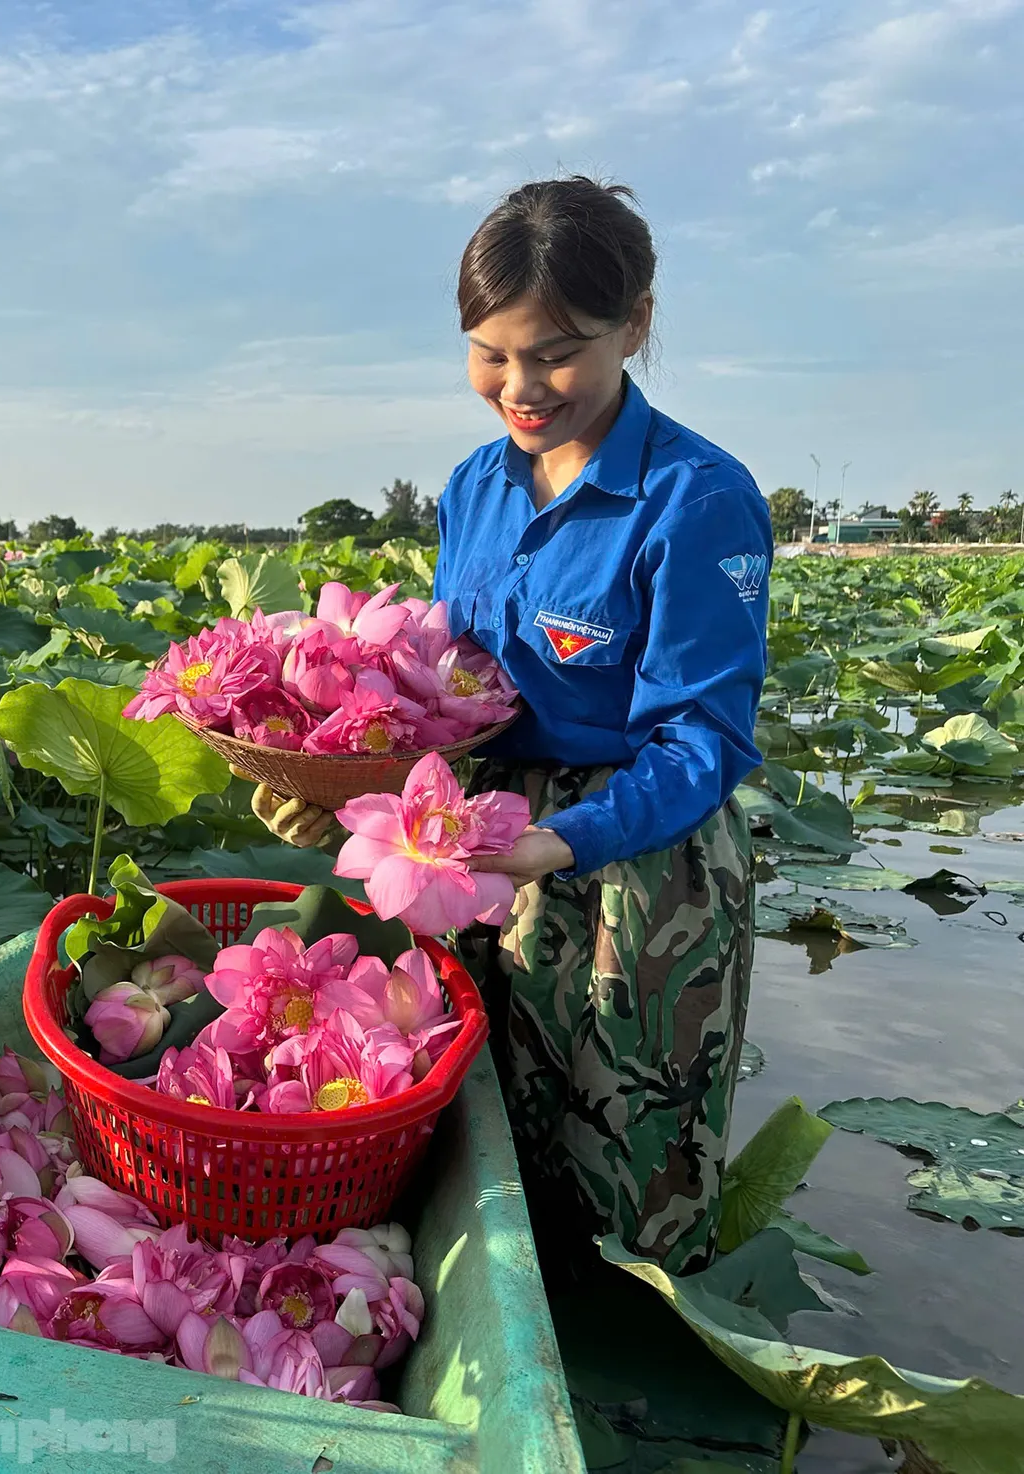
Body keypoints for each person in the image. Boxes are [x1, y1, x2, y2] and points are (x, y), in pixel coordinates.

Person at [256, 176, 771, 1276]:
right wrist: (343, 776)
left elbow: (704, 742)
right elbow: (444, 688)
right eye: (490, 352)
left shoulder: (696, 498)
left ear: (634, 325)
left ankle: (627, 1378)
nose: (520, 386)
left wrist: (553, 845)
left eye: (557, 351)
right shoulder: (472, 487)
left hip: (639, 860)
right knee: (467, 1133)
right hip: (474, 830)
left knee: (627, 1170)